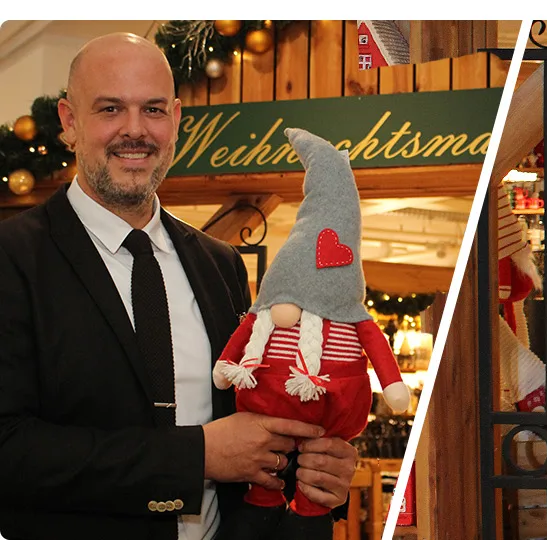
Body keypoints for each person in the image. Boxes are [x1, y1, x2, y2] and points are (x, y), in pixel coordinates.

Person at [0, 33, 359, 540]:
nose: (134, 130)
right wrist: (197, 457)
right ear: (69, 121)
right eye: (109, 109)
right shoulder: (13, 257)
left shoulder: (221, 265)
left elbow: (252, 423)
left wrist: (315, 465)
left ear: (176, 120)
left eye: (152, 110)